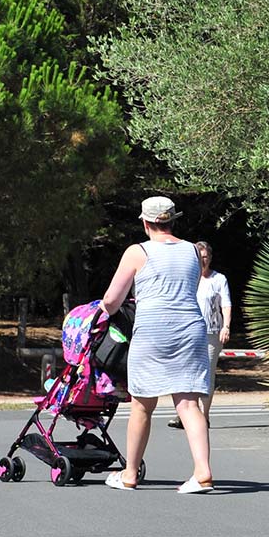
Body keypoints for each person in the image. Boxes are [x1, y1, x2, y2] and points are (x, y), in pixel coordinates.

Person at [100, 196, 215, 493]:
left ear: (145, 222)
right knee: (189, 404)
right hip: (191, 329)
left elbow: (113, 300)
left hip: (153, 330)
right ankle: (202, 472)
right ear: (172, 220)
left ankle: (129, 474)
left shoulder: (137, 251)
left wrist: (103, 313)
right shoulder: (192, 250)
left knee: (141, 404)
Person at [169, 241, 230, 430]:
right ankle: (185, 414)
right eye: (199, 257)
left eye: (205, 257)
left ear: (210, 258)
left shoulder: (218, 279)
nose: (202, 261)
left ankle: (204, 415)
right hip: (188, 332)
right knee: (185, 374)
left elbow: (226, 304)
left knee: (207, 374)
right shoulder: (187, 278)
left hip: (211, 332)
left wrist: (225, 326)